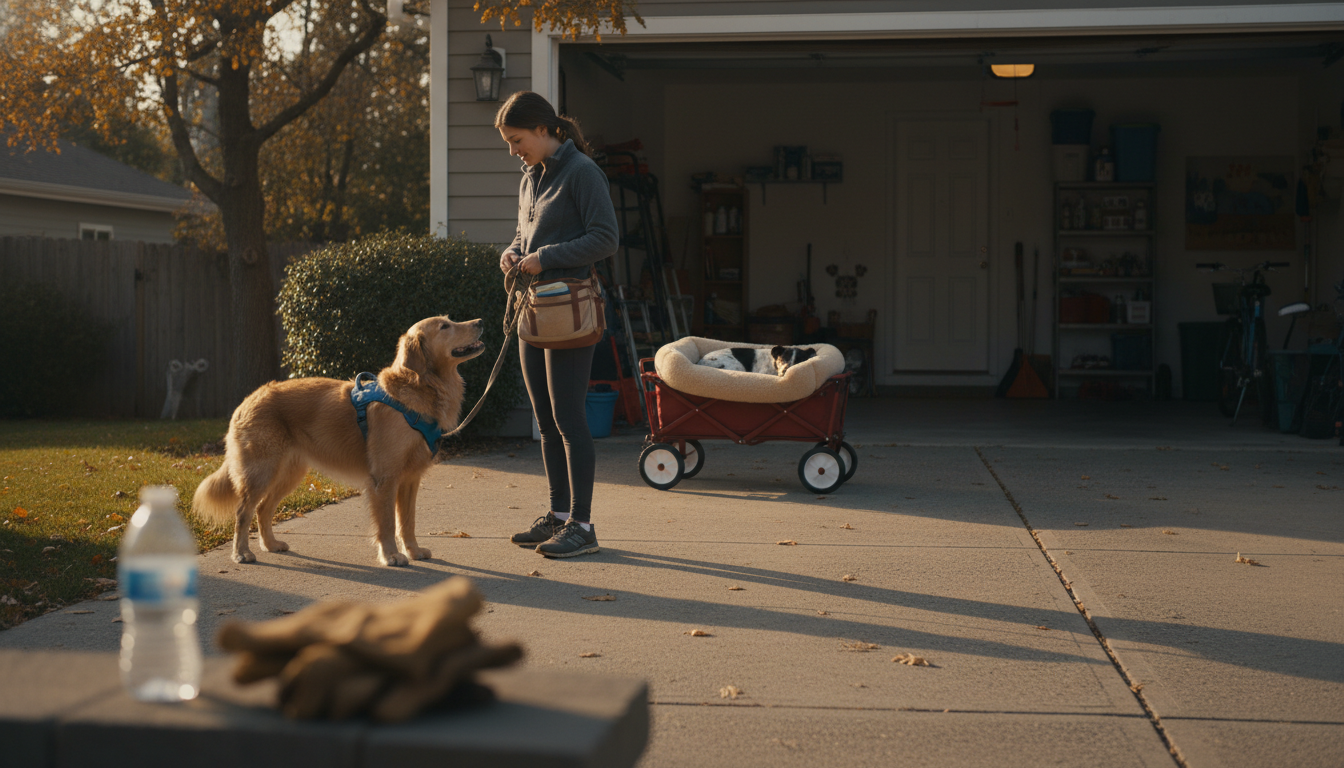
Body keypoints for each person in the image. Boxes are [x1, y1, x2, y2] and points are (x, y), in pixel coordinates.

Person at [496, 91, 618, 558]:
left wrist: (543, 257)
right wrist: (513, 252)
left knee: (569, 419)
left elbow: (605, 238)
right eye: (509, 143)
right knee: (545, 420)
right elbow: (525, 235)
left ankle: (583, 526)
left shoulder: (583, 172)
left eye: (517, 140)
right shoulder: (530, 176)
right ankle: (559, 516)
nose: (513, 150)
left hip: (567, 310)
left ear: (544, 130)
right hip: (531, 309)